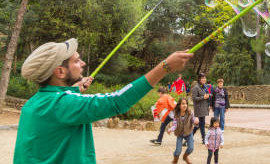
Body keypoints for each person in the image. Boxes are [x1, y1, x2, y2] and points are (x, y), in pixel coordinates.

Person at [14, 38, 192, 164]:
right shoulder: (65, 103)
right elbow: (118, 101)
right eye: (77, 61)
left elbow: (60, 106)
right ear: (60, 72)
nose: (83, 63)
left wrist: (74, 89)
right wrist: (165, 67)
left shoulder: (33, 104)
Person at [167, 97, 196, 164]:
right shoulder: (176, 114)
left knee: (191, 148)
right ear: (179, 105)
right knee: (178, 151)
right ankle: (175, 161)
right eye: (183, 104)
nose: (185, 105)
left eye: (186, 104)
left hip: (188, 132)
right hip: (179, 133)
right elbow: (174, 125)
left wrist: (196, 121)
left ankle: (185, 157)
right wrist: (170, 129)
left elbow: (193, 120)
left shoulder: (190, 112)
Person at [191, 73, 210, 144]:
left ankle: (189, 137)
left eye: (205, 78)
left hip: (204, 107)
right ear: (199, 79)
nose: (204, 79)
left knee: (200, 124)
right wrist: (203, 97)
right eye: (202, 78)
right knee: (202, 124)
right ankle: (204, 139)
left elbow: (206, 95)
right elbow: (194, 98)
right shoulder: (196, 87)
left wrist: (208, 96)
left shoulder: (204, 86)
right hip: (199, 108)